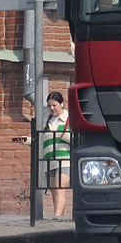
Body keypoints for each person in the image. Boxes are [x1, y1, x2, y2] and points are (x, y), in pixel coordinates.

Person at [42, 91, 72, 219]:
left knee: (60, 189)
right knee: (55, 192)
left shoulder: (69, 119)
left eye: (54, 105)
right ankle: (62, 220)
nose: (52, 108)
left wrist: (65, 136)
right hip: (50, 160)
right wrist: (27, 140)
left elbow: (78, 138)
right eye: (49, 106)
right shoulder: (46, 121)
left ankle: (55, 218)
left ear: (62, 105)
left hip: (64, 158)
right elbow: (41, 140)